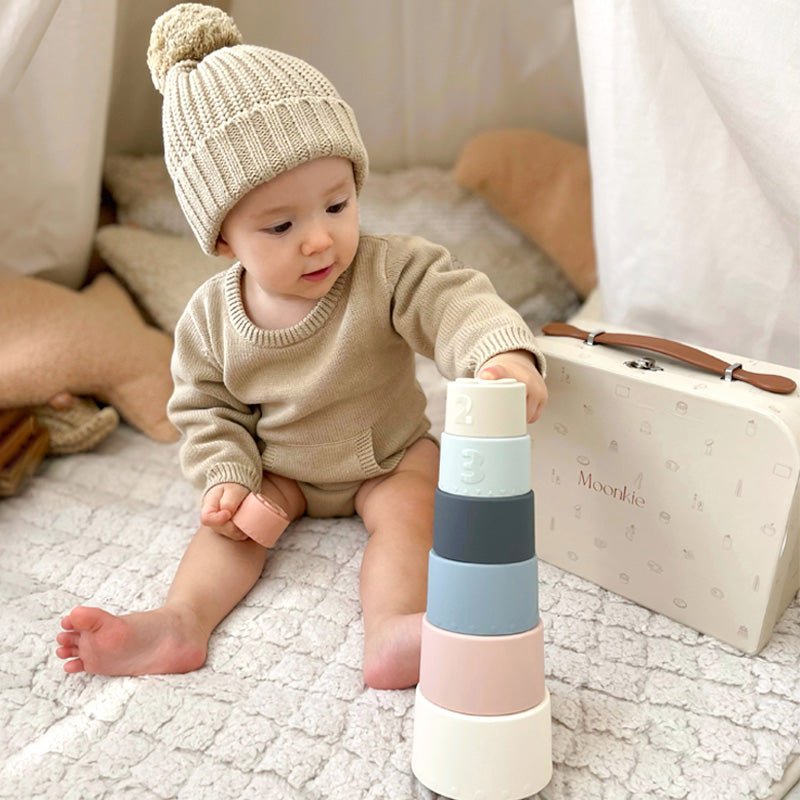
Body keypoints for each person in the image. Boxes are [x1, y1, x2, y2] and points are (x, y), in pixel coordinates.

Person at [55, 3, 548, 689]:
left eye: (337, 206)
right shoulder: (210, 320)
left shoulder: (386, 268)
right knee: (233, 533)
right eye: (281, 224)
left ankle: (394, 631)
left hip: (389, 454)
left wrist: (497, 354)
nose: (319, 238)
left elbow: (452, 301)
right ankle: (178, 624)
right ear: (225, 239)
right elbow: (204, 409)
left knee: (415, 514)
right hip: (280, 470)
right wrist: (228, 475)